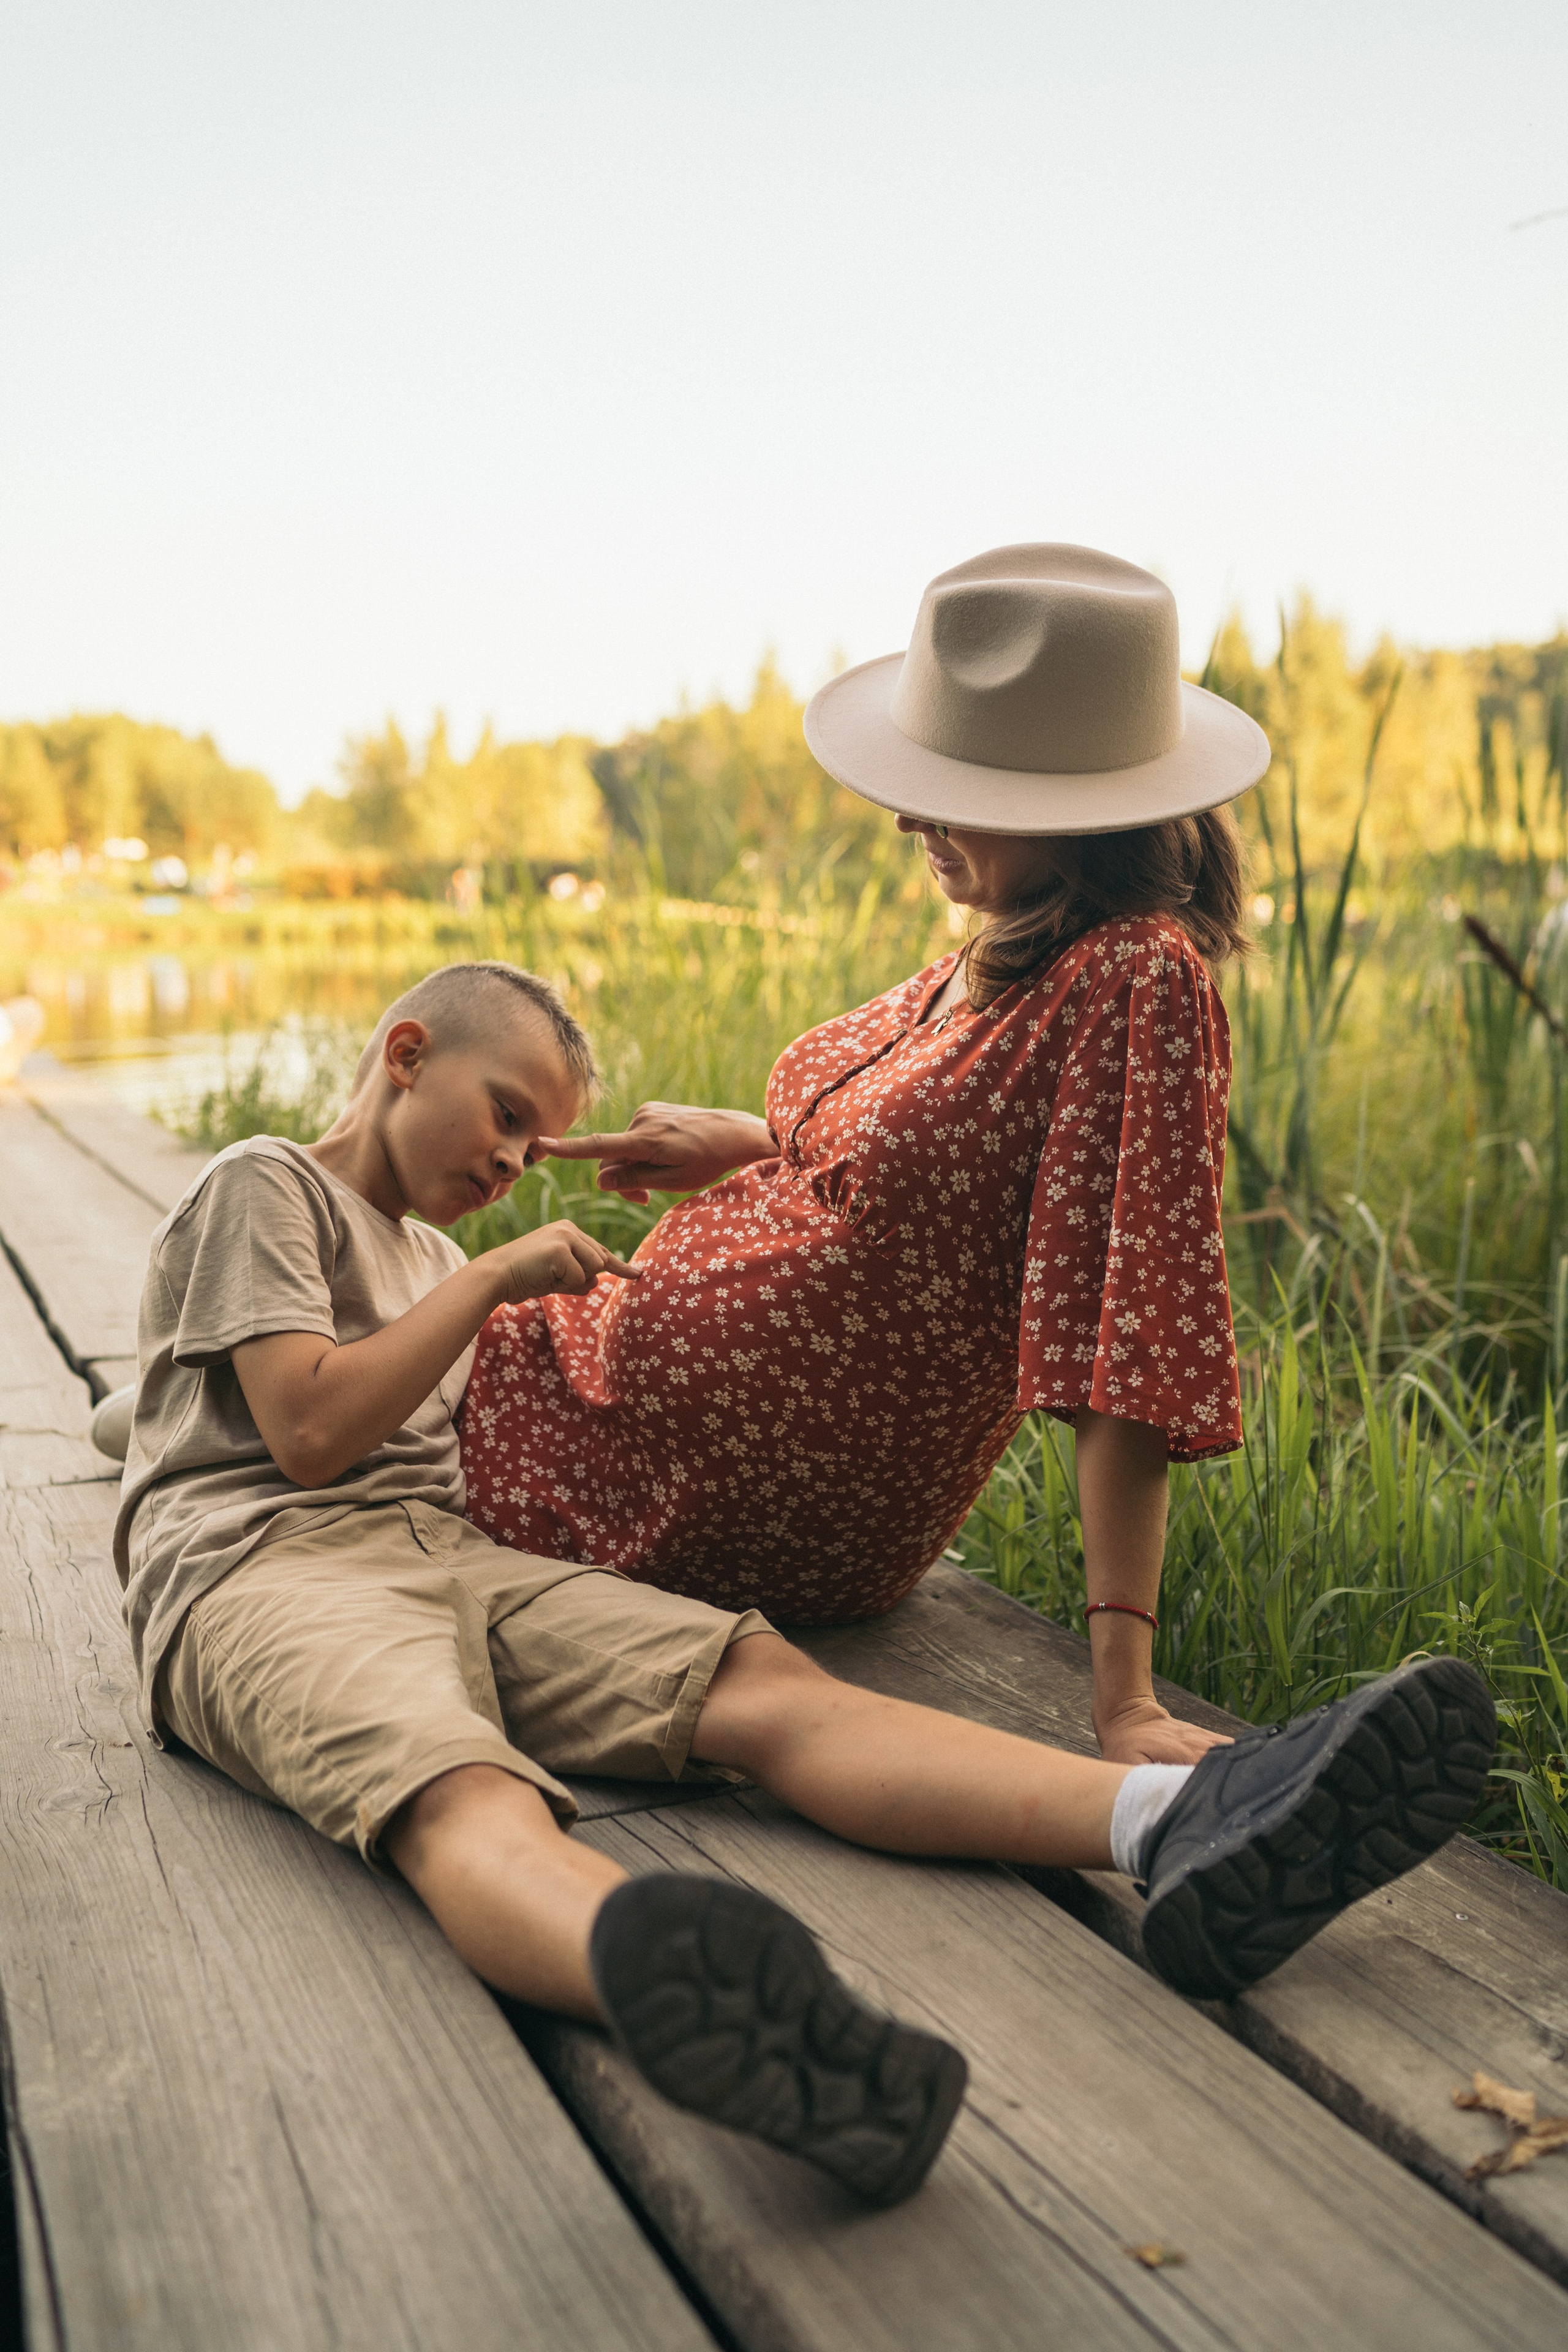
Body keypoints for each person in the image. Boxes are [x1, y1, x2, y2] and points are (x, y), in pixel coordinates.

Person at [110, 955, 1495, 2208]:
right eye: (508, 1112)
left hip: (452, 1557)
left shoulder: (417, 1253)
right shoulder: (263, 1181)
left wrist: (740, 1174)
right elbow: (302, 1435)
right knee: (455, 1788)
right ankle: (688, 1990)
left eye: (535, 1133)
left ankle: (1183, 1817)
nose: (520, 1159)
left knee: (762, 1677)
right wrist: (494, 1283)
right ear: (405, 1054)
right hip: (259, 1575)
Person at [458, 544, 1264, 1766]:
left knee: (350, 1371)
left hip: (705, 1484)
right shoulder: (1003, 947)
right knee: (380, 1323)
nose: (902, 817)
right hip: (605, 1381)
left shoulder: (1130, 978)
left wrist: (1126, 1703)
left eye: (947, 787)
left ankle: (234, 1398)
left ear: (1072, 807)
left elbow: (1125, 1339)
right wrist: (752, 1138)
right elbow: (932, 1179)